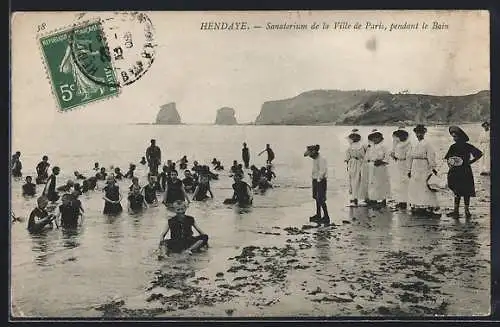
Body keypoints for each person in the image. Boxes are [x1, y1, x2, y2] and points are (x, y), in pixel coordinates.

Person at [444, 126, 483, 219]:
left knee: (465, 191)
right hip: (461, 170)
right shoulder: (454, 146)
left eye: (455, 136)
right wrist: (451, 164)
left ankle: (465, 210)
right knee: (460, 191)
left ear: (460, 137)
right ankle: (457, 211)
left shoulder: (465, 146)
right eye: (453, 137)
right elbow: (448, 159)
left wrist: (469, 162)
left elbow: (479, 154)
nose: (454, 138)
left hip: (462, 170)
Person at [407, 125, 441, 217]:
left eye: (421, 132)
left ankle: (428, 206)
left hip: (424, 167)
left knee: (425, 186)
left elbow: (431, 156)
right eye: (417, 133)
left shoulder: (427, 144)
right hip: (415, 167)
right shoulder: (414, 144)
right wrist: (409, 169)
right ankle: (417, 205)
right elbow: (410, 157)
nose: (419, 134)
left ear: (424, 133)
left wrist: (432, 168)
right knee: (415, 186)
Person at [304, 144, 330, 225]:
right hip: (315, 180)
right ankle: (318, 215)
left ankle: (326, 217)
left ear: (314, 152)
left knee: (321, 199)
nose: (310, 156)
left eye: (310, 154)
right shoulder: (315, 159)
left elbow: (322, 171)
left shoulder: (321, 159)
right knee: (316, 197)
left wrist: (318, 180)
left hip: (321, 180)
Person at [366, 130, 391, 207]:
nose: (375, 139)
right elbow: (367, 157)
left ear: (380, 137)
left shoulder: (384, 147)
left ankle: (383, 199)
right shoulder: (370, 147)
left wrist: (381, 162)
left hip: (381, 167)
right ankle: (373, 199)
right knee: (372, 183)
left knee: (381, 183)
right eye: (373, 137)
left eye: (377, 137)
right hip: (372, 167)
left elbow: (387, 158)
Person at [390, 129, 411, 209]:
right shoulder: (399, 144)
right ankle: (401, 201)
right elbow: (396, 154)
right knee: (399, 183)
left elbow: (408, 157)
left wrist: (409, 169)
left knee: (404, 183)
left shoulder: (407, 145)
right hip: (399, 164)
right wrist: (394, 156)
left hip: (404, 164)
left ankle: (404, 202)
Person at [344, 131, 365, 206]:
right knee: (360, 179)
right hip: (361, 163)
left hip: (352, 163)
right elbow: (364, 156)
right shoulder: (361, 147)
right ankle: (361, 197)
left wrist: (347, 165)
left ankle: (354, 197)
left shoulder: (350, 148)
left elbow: (347, 158)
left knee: (353, 180)